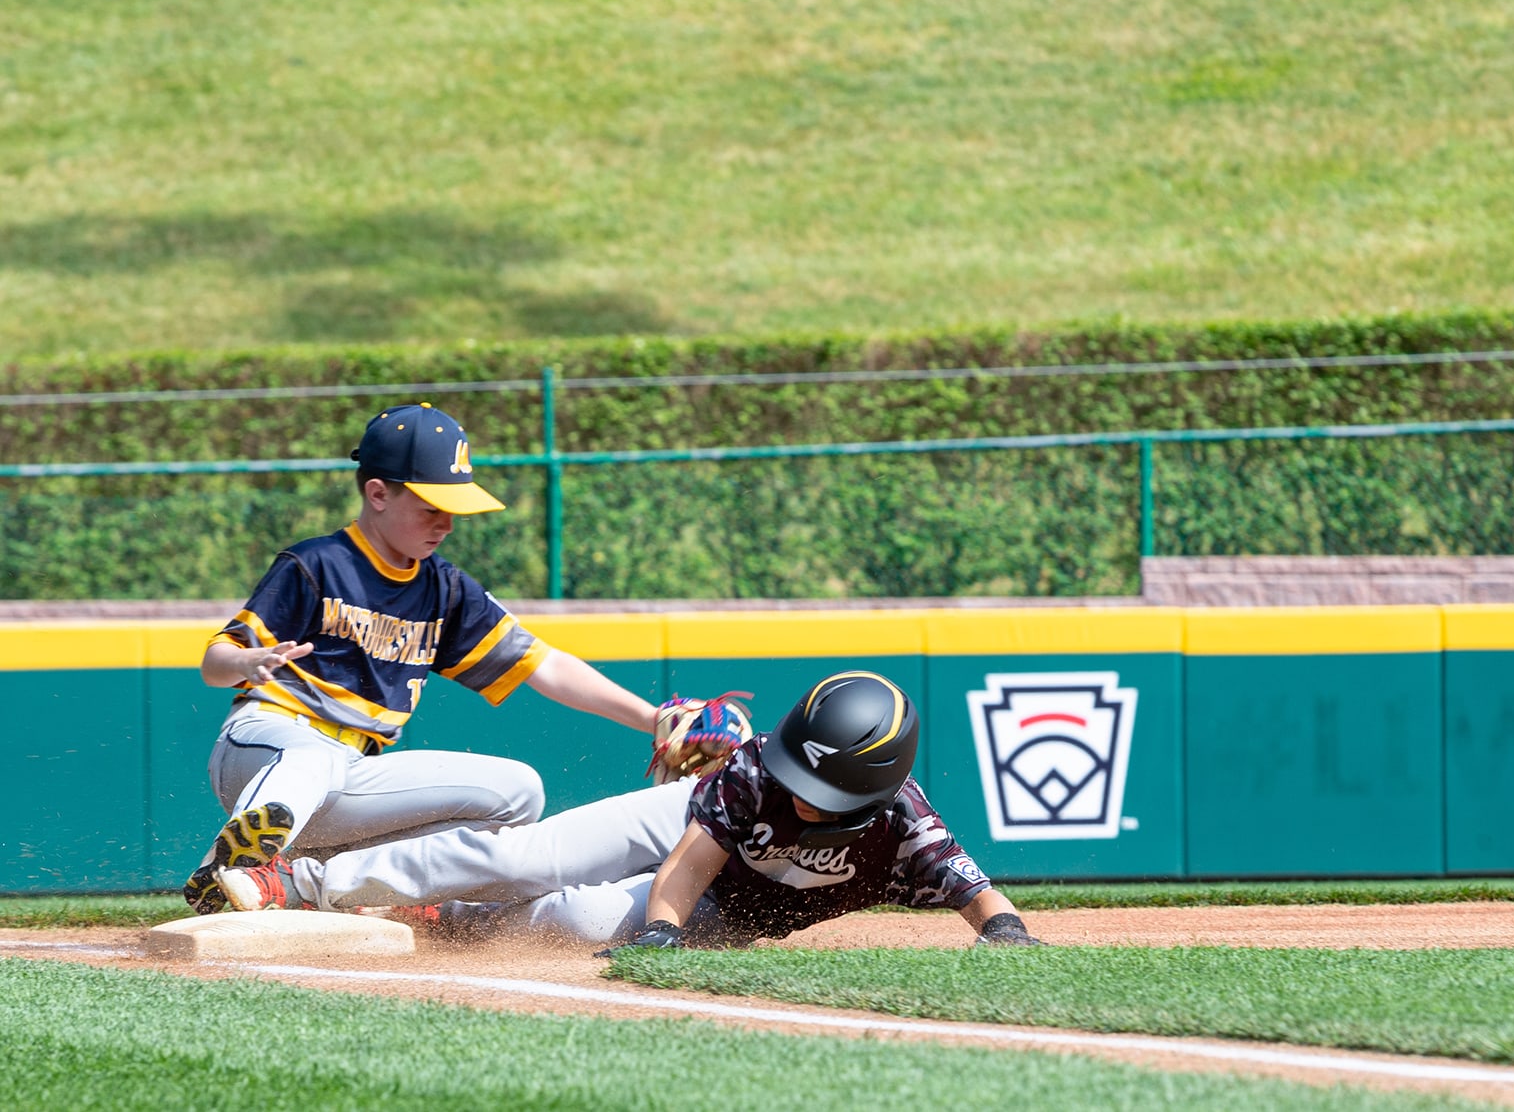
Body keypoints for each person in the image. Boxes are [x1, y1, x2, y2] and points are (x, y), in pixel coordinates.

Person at [182, 402, 663, 915]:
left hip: (352, 777)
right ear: (378, 494)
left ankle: (344, 882)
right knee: (314, 758)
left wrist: (655, 719)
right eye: (431, 507)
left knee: (520, 791)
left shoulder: (444, 589)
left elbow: (545, 666)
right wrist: (246, 663)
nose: (446, 524)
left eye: (452, 509)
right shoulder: (317, 563)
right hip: (266, 747)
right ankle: (229, 866)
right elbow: (215, 662)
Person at [215, 671, 1045, 949]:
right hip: (691, 829)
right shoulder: (756, 772)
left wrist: (1006, 935)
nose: (799, 786)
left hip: (738, 909)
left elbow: (981, 897)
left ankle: (450, 917)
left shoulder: (906, 830)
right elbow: (689, 863)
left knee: (572, 921)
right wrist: (661, 931)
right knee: (526, 858)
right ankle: (301, 881)